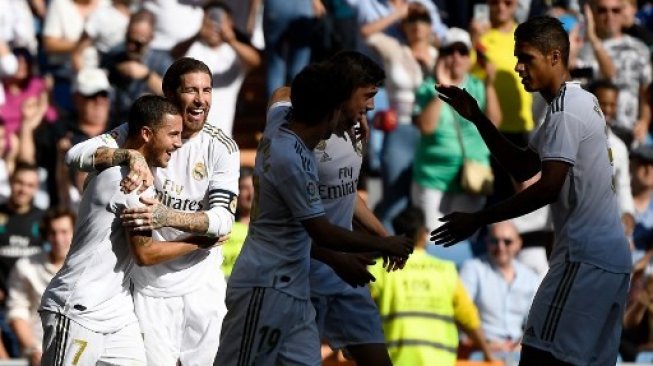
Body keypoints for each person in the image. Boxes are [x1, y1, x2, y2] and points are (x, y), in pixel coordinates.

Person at [432, 16, 631, 365]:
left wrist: (478, 219)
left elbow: (547, 187)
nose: (519, 67)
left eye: (527, 58)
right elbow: (524, 167)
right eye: (516, 58)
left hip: (584, 259)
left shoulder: (566, 111)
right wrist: (478, 118)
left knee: (541, 354)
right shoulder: (573, 103)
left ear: (555, 57)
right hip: (606, 259)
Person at [215, 63, 413, 365]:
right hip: (264, 284)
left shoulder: (282, 120)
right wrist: (383, 245)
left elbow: (282, 93)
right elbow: (320, 231)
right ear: (335, 108)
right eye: (365, 98)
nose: (367, 108)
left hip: (293, 291)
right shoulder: (292, 160)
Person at [64, 57, 240, 366]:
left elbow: (224, 220)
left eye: (207, 90)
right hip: (149, 290)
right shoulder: (142, 132)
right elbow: (75, 154)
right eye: (191, 91)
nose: (201, 100)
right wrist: (129, 155)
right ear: (169, 94)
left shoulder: (221, 147)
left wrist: (166, 216)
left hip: (203, 287)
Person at [39, 94, 211, 365]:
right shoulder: (128, 182)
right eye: (173, 134)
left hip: (117, 314)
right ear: (146, 133)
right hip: (77, 309)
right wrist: (201, 242)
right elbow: (146, 254)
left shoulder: (130, 173)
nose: (178, 143)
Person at [308, 51, 393, 366]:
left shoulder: (357, 131)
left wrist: (383, 237)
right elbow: (295, 224)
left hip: (345, 278)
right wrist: (339, 257)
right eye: (367, 96)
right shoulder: (303, 135)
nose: (371, 105)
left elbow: (346, 195)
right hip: (303, 276)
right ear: (343, 91)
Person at [370, 206, 494, 366]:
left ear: (396, 234)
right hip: (440, 362)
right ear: (423, 233)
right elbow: (468, 318)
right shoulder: (446, 271)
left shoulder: (380, 269)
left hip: (395, 361)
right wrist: (488, 354)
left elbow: (357, 312)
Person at [6, 207, 75, 366]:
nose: (58, 239)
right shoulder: (26, 267)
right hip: (39, 353)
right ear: (46, 235)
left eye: (64, 232)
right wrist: (32, 349)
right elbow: (17, 311)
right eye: (53, 232)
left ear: (75, 232)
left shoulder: (89, 266)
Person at [459, 221, 540, 353]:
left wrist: (521, 345)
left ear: (518, 244)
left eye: (507, 242)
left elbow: (535, 324)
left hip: (517, 350)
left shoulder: (530, 278)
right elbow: (461, 313)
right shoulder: (473, 269)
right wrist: (484, 343)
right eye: (494, 241)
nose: (500, 247)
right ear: (487, 242)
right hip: (480, 348)